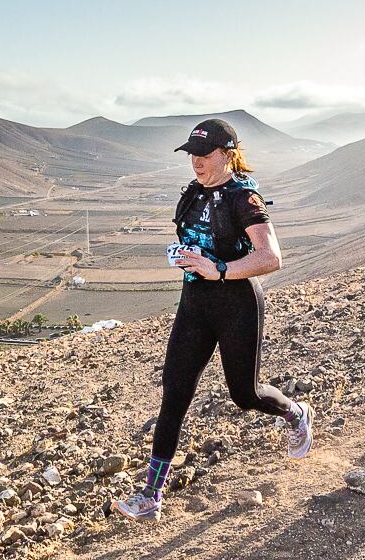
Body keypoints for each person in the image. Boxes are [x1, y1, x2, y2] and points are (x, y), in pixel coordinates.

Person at [113, 118, 314, 522]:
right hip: (195, 303)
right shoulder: (192, 194)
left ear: (227, 154)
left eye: (204, 155)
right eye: (192, 155)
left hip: (236, 302)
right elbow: (198, 245)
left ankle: (296, 414)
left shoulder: (245, 198)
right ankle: (151, 495)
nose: (196, 163)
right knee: (175, 391)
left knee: (245, 394)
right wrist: (187, 259)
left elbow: (271, 257)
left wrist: (218, 269)